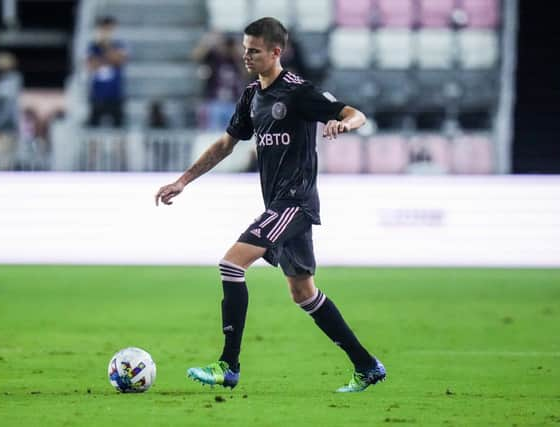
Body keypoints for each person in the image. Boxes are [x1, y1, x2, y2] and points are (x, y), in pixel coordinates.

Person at [155, 17, 386, 393]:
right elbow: (225, 145)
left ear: (276, 52)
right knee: (303, 292)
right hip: (281, 203)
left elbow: (354, 113)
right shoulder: (251, 96)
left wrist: (344, 126)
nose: (246, 56)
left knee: (231, 264)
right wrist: (183, 181)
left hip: (295, 202)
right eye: (245, 48)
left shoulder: (297, 92)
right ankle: (367, 365)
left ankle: (228, 366)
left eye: (254, 51)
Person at [192, 32, 245, 130]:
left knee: (234, 135)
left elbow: (247, 74)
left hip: (234, 103)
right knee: (213, 134)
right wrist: (208, 41)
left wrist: (238, 53)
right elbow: (196, 56)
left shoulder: (236, 59)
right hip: (214, 102)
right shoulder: (213, 56)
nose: (226, 46)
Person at [86, 16, 128, 127]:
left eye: (109, 30)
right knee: (93, 128)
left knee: (119, 128)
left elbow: (120, 60)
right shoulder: (93, 46)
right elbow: (91, 65)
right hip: (97, 94)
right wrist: (109, 59)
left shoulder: (119, 45)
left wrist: (106, 49)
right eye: (105, 29)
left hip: (115, 94)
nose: (107, 32)